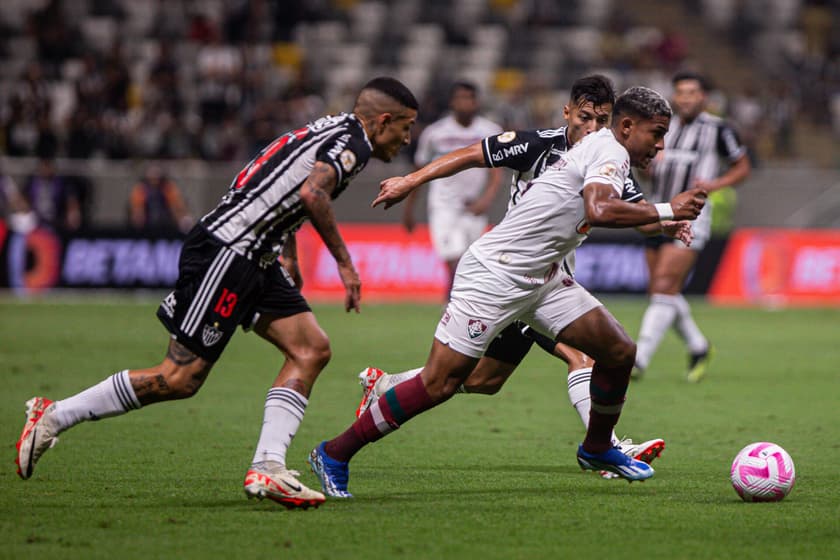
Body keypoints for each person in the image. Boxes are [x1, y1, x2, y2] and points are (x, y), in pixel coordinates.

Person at [14, 77, 419, 510]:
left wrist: (289, 253)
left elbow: (279, 185)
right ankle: (54, 415)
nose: (407, 138)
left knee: (311, 349)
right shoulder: (353, 142)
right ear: (383, 121)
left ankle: (268, 466)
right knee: (179, 378)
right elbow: (312, 191)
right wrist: (344, 262)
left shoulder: (327, 128)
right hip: (228, 254)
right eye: (406, 128)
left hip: (254, 254)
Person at [308, 86, 708, 498]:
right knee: (441, 383)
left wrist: (662, 220)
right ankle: (334, 453)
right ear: (627, 126)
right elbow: (600, 210)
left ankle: (598, 447)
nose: (661, 146)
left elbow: (619, 210)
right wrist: (669, 210)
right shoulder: (608, 151)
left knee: (618, 351)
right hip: (495, 275)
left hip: (545, 278)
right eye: (656, 134)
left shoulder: (605, 150)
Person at [633, 72, 751, 383]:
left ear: (704, 97)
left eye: (692, 92)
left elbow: (742, 166)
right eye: (681, 92)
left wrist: (715, 184)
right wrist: (646, 168)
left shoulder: (718, 129)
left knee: (662, 287)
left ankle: (638, 359)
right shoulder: (663, 128)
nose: (686, 98)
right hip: (657, 212)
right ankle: (699, 346)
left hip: (693, 216)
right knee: (663, 291)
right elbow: (647, 171)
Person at [402, 81, 504, 300]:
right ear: (452, 101)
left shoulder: (490, 131)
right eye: (461, 98)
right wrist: (409, 210)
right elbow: (418, 171)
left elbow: (497, 172)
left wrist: (486, 200)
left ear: (477, 102)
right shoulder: (435, 133)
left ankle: (456, 303)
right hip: (443, 205)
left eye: (469, 98)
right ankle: (453, 302)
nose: (465, 103)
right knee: (453, 257)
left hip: (473, 206)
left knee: (470, 259)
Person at [129, 164, 194, 233]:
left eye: (156, 178)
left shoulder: (168, 188)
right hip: (146, 226)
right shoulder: (141, 189)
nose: (154, 181)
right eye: (152, 178)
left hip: (167, 224)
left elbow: (177, 207)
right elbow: (137, 209)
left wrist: (182, 219)